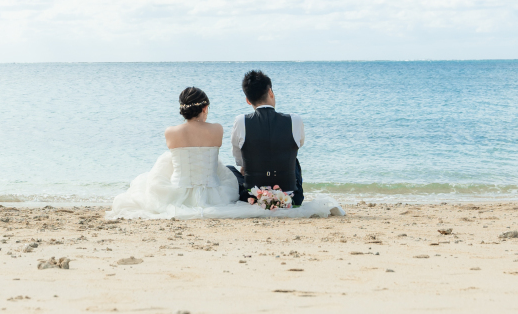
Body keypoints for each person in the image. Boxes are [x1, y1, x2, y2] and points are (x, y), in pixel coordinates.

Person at [105, 86, 344, 220]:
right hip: (214, 193)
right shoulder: (216, 129)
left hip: (177, 191)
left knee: (167, 161)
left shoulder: (170, 132)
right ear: (205, 108)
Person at [227, 70, 305, 206]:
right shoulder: (295, 119)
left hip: (253, 197)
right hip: (291, 197)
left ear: (247, 100)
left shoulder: (240, 121)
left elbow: (238, 157)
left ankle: (262, 197)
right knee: (294, 160)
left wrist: (246, 165)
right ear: (270, 92)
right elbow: (299, 144)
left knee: (229, 168)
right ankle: (284, 193)